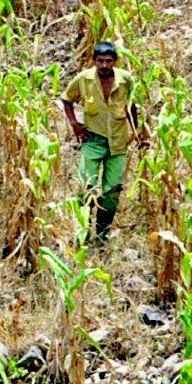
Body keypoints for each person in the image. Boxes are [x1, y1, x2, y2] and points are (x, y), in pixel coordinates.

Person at [62, 42, 143, 244]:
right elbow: (66, 99)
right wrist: (75, 125)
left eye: (108, 61)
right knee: (85, 187)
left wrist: (138, 132)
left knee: (112, 190)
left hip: (118, 142)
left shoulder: (125, 80)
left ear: (115, 61)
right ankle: (82, 234)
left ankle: (101, 235)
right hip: (93, 140)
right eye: (100, 61)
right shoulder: (84, 79)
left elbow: (132, 107)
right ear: (94, 61)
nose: (104, 65)